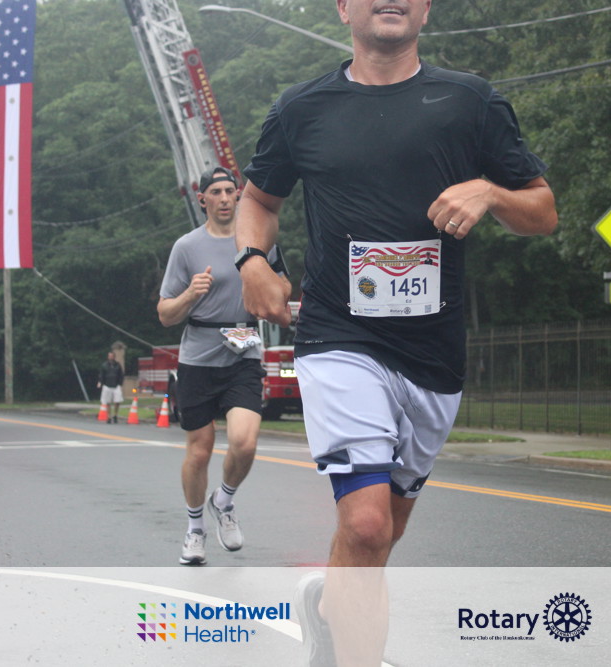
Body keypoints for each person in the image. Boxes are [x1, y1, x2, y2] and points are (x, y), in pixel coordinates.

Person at [234, 1, 557, 663]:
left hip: (433, 353)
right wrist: (253, 260)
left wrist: (491, 193)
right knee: (366, 523)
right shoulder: (301, 108)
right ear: (343, 8)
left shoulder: (469, 101)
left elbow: (543, 211)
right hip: (338, 336)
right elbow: (258, 199)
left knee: (382, 533)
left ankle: (331, 609)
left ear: (426, 10)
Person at [158, 166, 286, 566]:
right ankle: (195, 529)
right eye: (217, 192)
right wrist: (190, 294)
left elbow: (283, 288)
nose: (226, 198)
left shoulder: (259, 240)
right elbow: (165, 314)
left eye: (232, 191)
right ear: (203, 199)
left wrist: (270, 286)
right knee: (200, 452)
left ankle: (224, 501)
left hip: (243, 351)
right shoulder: (186, 247)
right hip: (198, 358)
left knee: (245, 442)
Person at [97, 351, 125, 423]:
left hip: (116, 385)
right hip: (107, 385)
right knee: (107, 402)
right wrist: (100, 382)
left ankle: (115, 415)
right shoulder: (104, 365)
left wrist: (120, 383)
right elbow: (101, 375)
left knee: (117, 400)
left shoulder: (118, 365)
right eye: (109, 356)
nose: (110, 357)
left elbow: (121, 375)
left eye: (112, 356)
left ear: (114, 357)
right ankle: (109, 416)